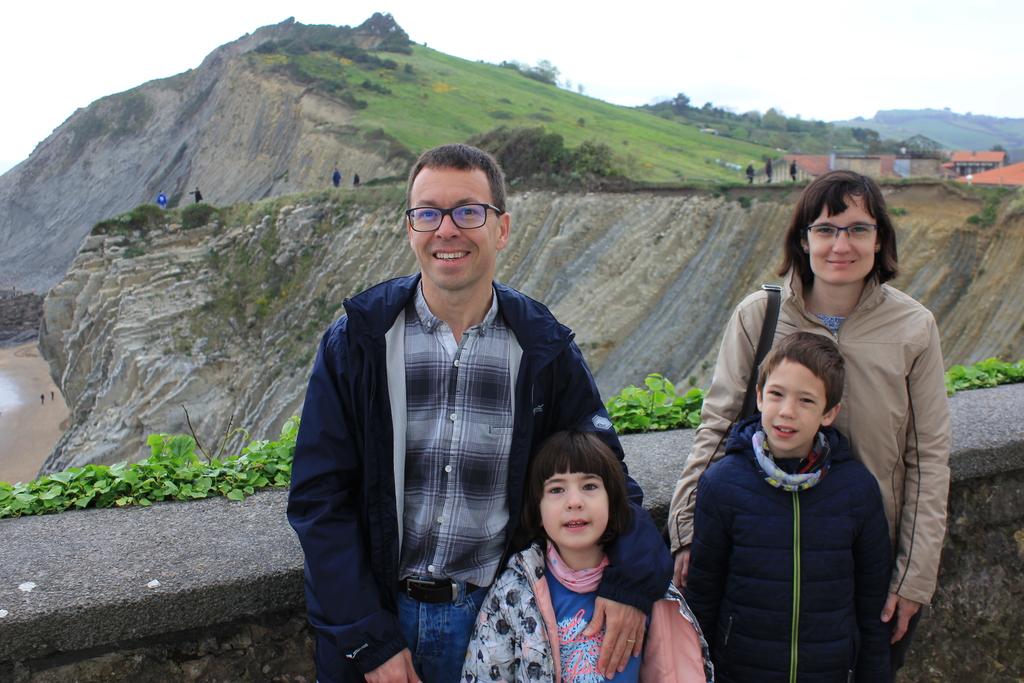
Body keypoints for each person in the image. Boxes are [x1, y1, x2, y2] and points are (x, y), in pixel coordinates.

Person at [287, 143, 672, 683]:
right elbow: (318, 500)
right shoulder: (358, 341)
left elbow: (606, 474)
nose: (447, 229)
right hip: (379, 621)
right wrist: (365, 640)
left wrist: (632, 582)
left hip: (502, 625)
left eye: (468, 211)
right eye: (428, 213)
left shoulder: (544, 350)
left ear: (502, 228)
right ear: (410, 227)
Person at [668, 169, 951, 679]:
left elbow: (927, 456)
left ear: (879, 237)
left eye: (858, 229)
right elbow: (717, 427)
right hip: (764, 553)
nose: (841, 244)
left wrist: (913, 576)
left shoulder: (913, 328)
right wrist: (687, 531)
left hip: (867, 564)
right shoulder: (762, 316)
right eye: (825, 229)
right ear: (804, 239)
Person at [685, 332, 891, 682]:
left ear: (830, 413)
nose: (787, 411)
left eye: (806, 401)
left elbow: (872, 607)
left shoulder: (857, 490)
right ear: (760, 397)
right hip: (741, 670)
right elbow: (703, 596)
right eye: (777, 394)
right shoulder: (722, 485)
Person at [464, 431, 712, 683]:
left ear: (613, 503)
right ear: (537, 510)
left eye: (589, 486)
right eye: (556, 489)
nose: (574, 502)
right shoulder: (513, 591)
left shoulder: (651, 589)